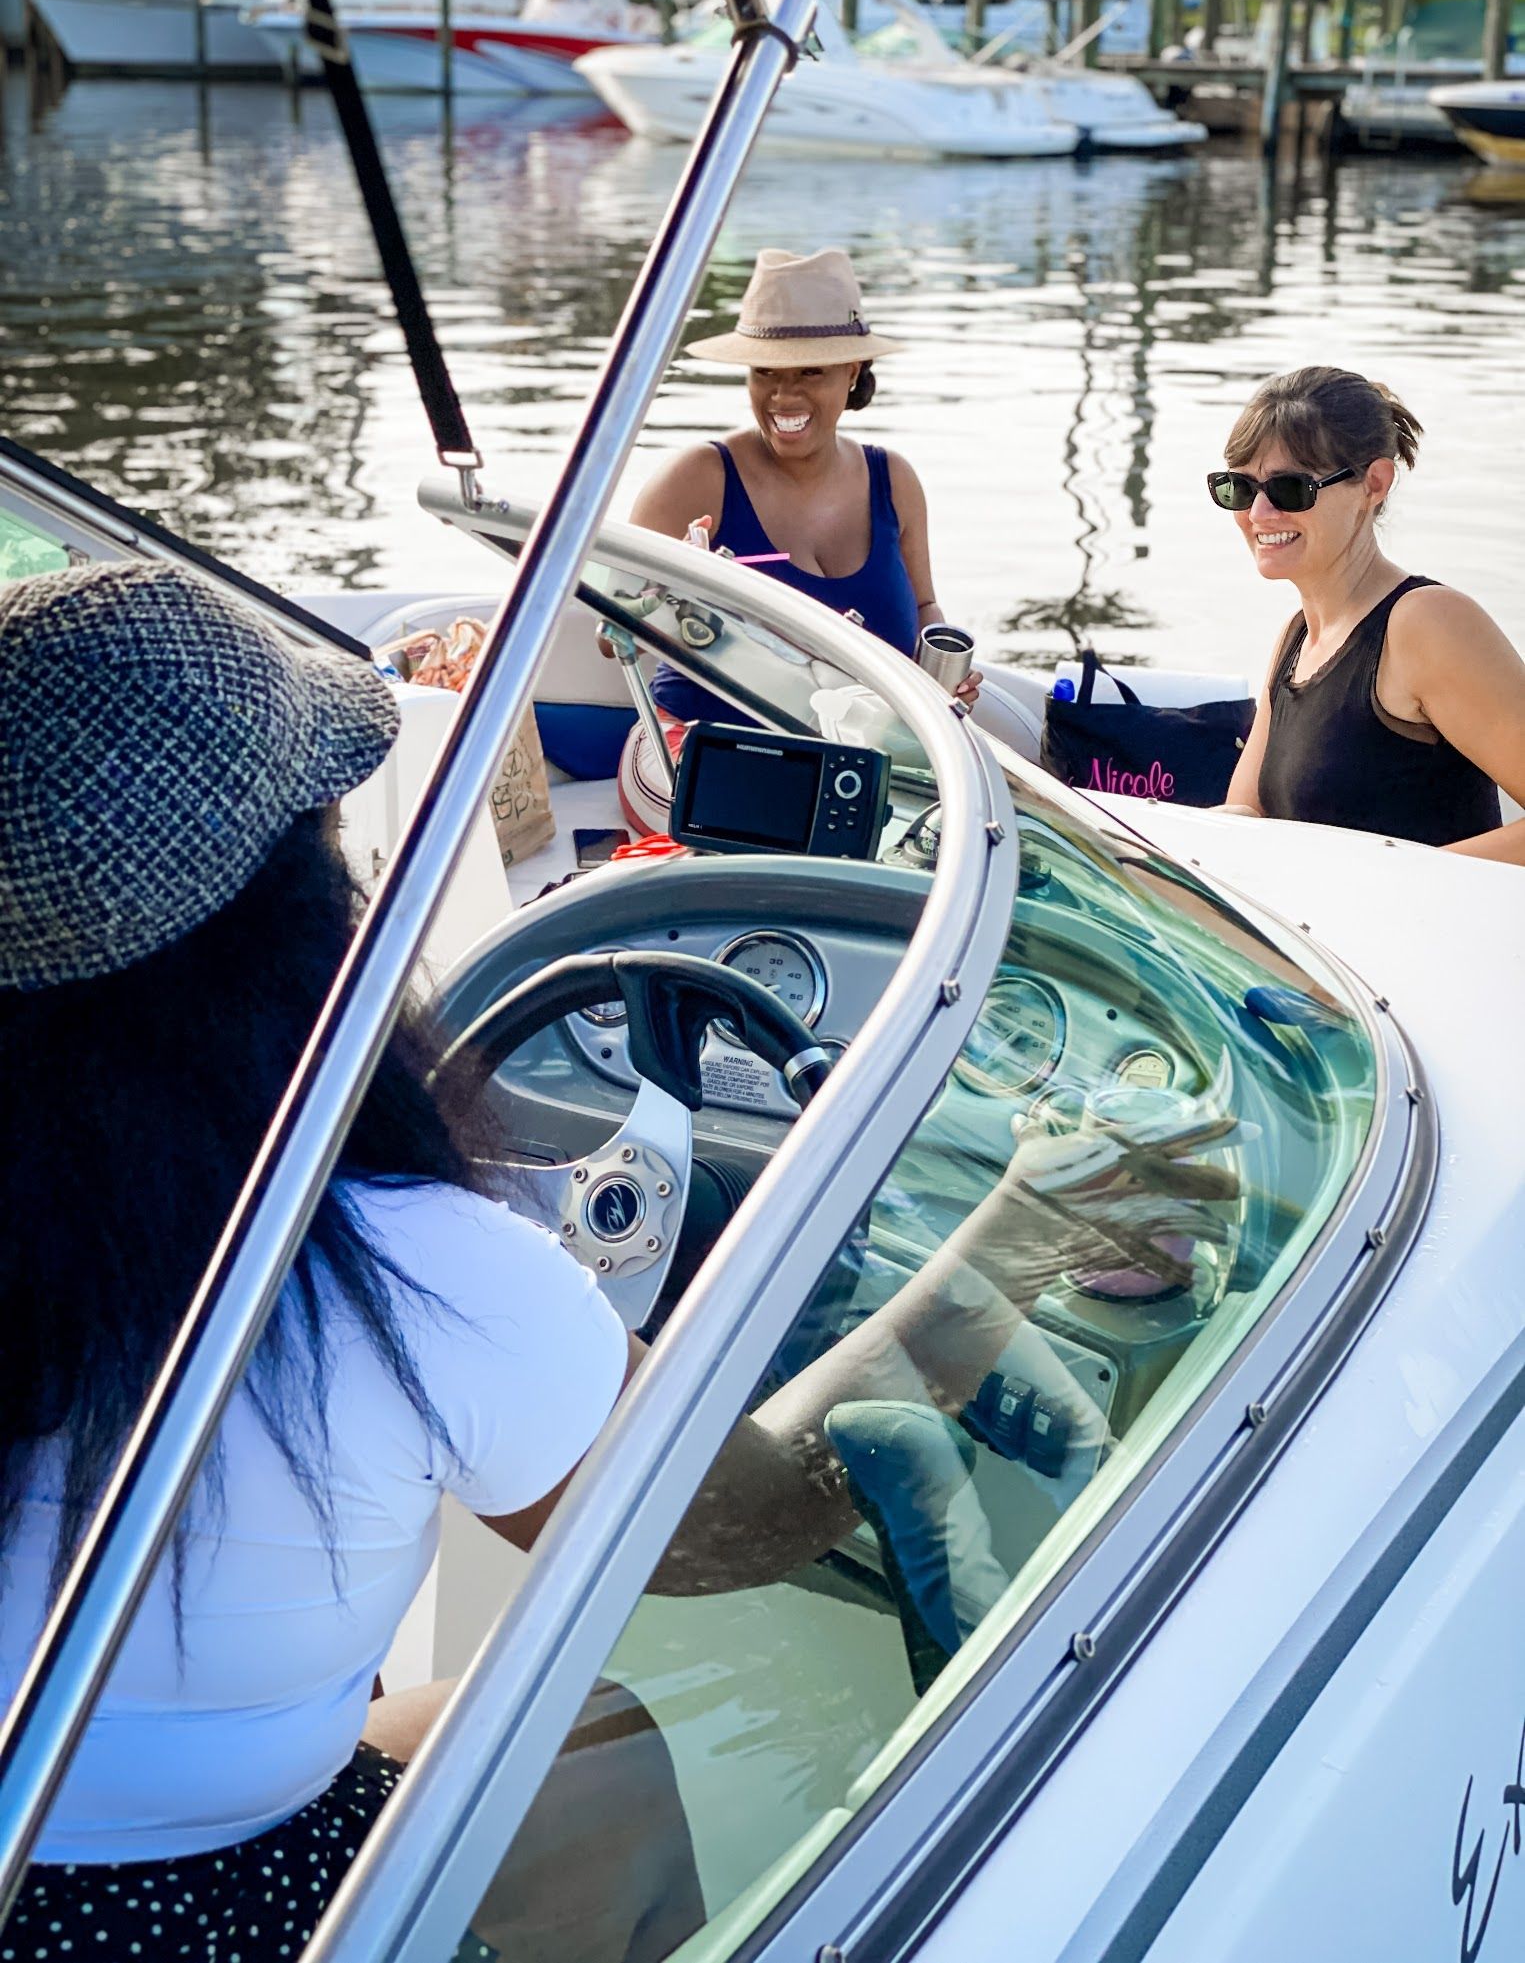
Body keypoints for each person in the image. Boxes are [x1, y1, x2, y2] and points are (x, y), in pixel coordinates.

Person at [0, 560, 1219, 1961]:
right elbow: (737, 1521)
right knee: (611, 1757)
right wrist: (1013, 1234)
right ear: (292, 929)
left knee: (557, 1725)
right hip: (192, 1919)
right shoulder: (413, 1274)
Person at [632, 246, 981, 717]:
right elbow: (613, 640)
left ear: (852, 371)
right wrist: (673, 594)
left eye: (810, 372)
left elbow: (924, 608)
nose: (783, 396)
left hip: (853, 763)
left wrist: (943, 678)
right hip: (692, 753)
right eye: (765, 372)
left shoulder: (894, 482)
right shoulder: (697, 478)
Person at [1211, 366, 1525, 860]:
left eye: (1290, 489)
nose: (1258, 514)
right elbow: (1247, 818)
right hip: (1320, 934)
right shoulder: (1296, 639)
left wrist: (1394, 882)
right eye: (1240, 488)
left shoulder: (1428, 624)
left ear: (1374, 484)